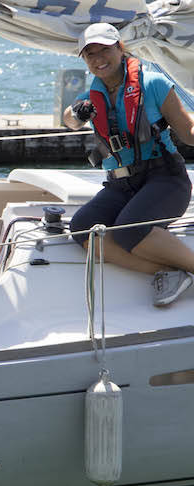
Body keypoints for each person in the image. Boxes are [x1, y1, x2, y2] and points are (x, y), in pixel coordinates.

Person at [63, 23, 194, 306]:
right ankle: (170, 273)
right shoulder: (91, 97)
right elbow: (70, 120)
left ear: (120, 48)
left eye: (105, 50)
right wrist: (76, 113)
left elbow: (188, 132)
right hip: (121, 184)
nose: (98, 59)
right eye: (90, 54)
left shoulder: (153, 84)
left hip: (166, 179)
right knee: (83, 228)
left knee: (128, 229)